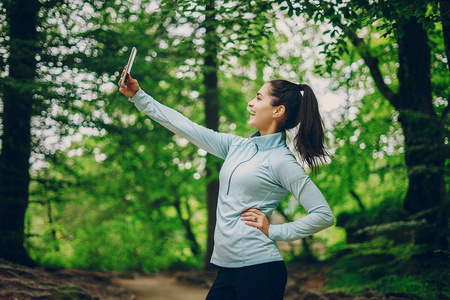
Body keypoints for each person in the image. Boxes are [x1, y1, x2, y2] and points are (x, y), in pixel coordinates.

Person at [119, 68, 335, 300]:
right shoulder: (236, 146)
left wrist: (275, 231)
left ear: (278, 110)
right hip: (227, 269)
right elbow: (184, 126)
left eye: (259, 98)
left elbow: (323, 215)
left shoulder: (282, 161)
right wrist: (138, 96)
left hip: (260, 270)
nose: (250, 103)